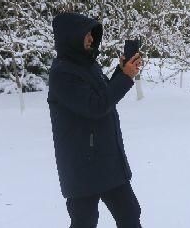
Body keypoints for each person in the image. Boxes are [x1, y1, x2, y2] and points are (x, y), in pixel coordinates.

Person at [47, 12, 143, 228]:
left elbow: (104, 97)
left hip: (107, 160)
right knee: (85, 221)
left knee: (130, 213)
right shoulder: (62, 73)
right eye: (86, 34)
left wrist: (121, 72)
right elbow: (95, 106)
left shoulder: (88, 65)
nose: (91, 38)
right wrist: (125, 77)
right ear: (71, 36)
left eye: (92, 34)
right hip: (81, 165)